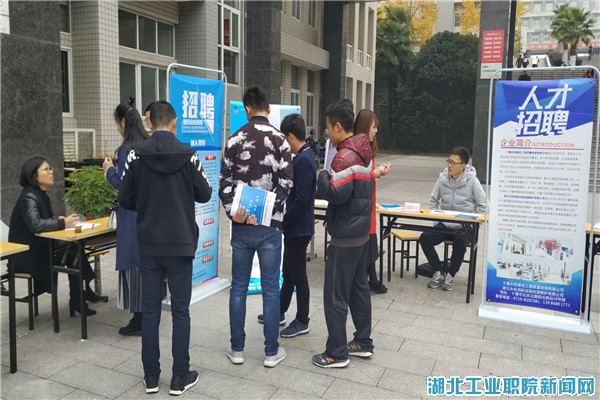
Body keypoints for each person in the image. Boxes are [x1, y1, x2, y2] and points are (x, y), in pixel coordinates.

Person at [119, 100, 212, 396]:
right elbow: (205, 192)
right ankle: (180, 377)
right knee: (180, 312)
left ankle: (150, 377)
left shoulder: (135, 155)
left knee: (150, 312)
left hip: (148, 244)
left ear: (150, 123)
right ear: (174, 124)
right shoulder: (189, 155)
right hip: (180, 244)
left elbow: (125, 198)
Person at [219, 85, 293, 368]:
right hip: (270, 227)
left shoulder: (234, 139)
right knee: (271, 289)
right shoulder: (281, 140)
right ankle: (271, 352)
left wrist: (234, 211)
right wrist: (265, 211)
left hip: (241, 225)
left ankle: (237, 349)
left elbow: (224, 182)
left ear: (247, 109)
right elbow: (287, 183)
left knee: (238, 287)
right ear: (268, 109)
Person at [312, 100, 374, 368]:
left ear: (338, 126)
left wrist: (322, 176)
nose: (327, 133)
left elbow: (337, 194)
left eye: (328, 127)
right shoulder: (364, 152)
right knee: (359, 290)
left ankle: (336, 353)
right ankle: (363, 342)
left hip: (345, 237)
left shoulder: (343, 157)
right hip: (361, 234)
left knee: (336, 297)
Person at [8, 157, 105, 317]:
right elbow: (36, 225)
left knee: (74, 250)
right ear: (33, 176)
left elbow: (42, 221)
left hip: (39, 247)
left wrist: (57, 221)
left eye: (51, 168)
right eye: (46, 169)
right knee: (73, 252)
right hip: (27, 255)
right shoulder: (28, 197)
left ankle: (81, 295)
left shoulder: (40, 194)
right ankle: (79, 297)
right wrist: (62, 223)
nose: (51, 172)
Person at [102, 103, 149, 336]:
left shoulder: (126, 149)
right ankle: (147, 314)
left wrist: (108, 170)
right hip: (150, 214)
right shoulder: (148, 145)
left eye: (116, 123)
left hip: (131, 215)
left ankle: (138, 319)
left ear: (122, 122)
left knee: (133, 262)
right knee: (146, 265)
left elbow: (122, 185)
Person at [271, 113, 316, 338]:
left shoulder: (304, 160)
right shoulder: (303, 156)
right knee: (288, 272)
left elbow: (300, 200)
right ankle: (279, 311)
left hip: (299, 228)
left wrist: (283, 220)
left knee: (298, 275)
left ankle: (302, 320)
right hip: (295, 227)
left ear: (289, 136)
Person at [419, 147, 486, 292]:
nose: (449, 165)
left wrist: (474, 225)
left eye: (453, 163)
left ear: (463, 166)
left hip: (464, 227)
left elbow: (484, 206)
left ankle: (450, 275)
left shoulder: (472, 182)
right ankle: (438, 271)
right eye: (448, 161)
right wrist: (437, 221)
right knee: (425, 237)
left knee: (460, 242)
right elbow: (433, 200)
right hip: (444, 224)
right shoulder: (442, 178)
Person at [353, 109, 390, 294]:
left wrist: (377, 171)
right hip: (362, 205)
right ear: (365, 126)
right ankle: (368, 281)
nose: (376, 131)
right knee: (366, 245)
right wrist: (376, 172)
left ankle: (372, 280)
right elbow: (357, 177)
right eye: (374, 127)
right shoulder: (356, 151)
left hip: (369, 202)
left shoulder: (367, 148)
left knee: (369, 244)